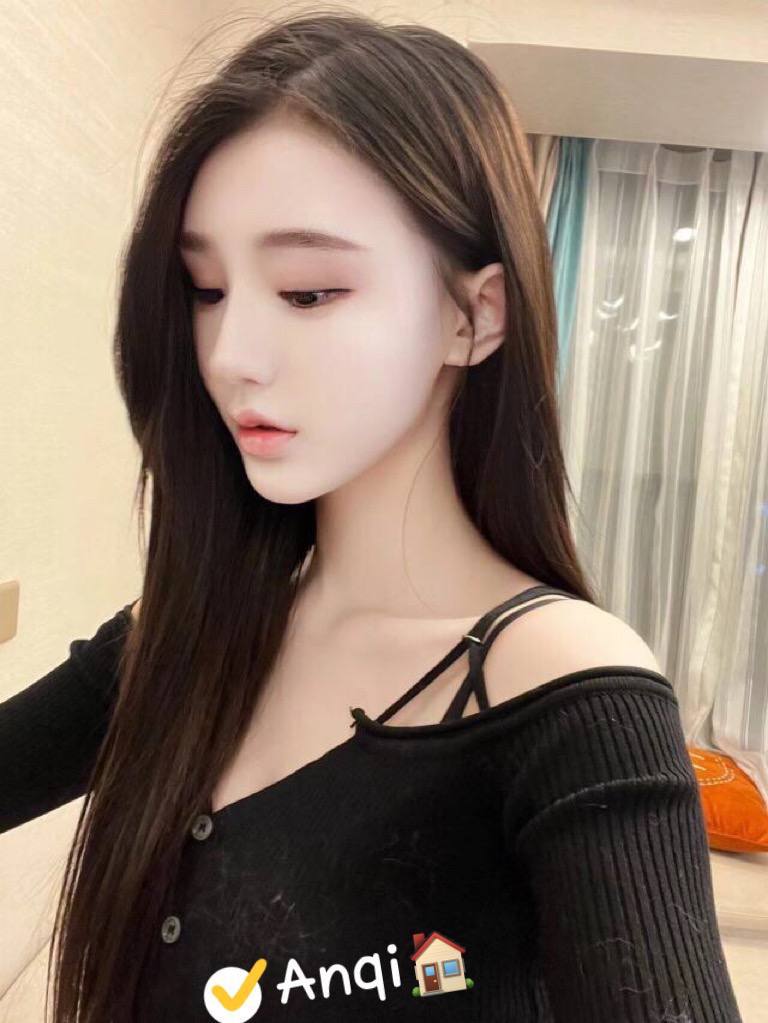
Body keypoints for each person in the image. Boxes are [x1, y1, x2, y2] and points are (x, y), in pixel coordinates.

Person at [0, 9, 743, 1022]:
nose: (231, 355)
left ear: (474, 316)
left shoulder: (570, 697)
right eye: (207, 289)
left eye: (308, 292)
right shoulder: (183, 635)